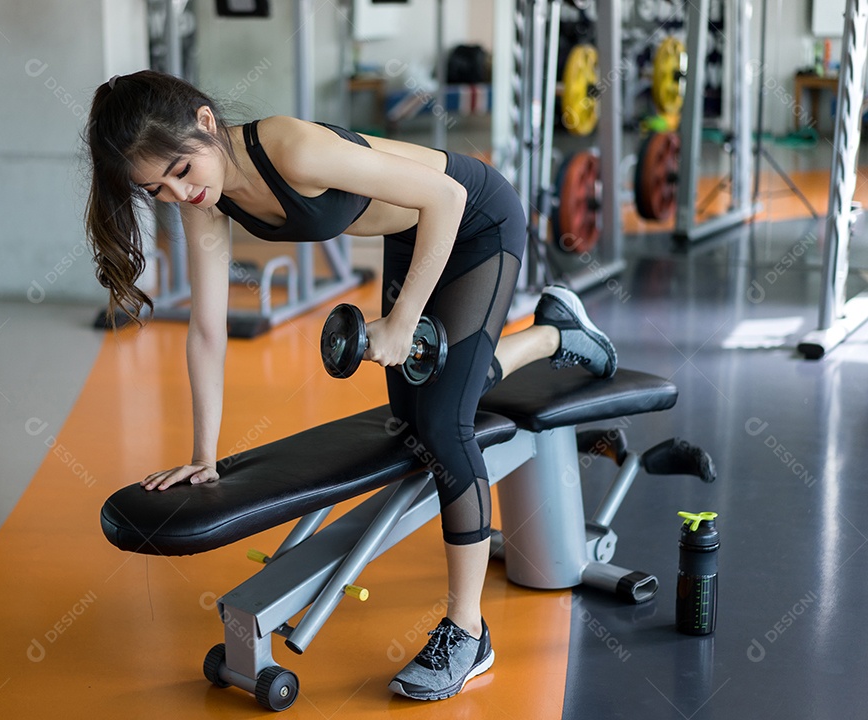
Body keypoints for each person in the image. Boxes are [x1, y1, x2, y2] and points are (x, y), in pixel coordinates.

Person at [84, 70, 617, 701]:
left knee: (443, 427)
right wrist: (205, 457)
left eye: (179, 169)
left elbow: (444, 198)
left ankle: (468, 633)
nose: (179, 193)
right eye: (158, 190)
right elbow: (207, 331)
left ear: (205, 121)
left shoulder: (292, 149)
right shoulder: (211, 199)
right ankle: (554, 334)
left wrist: (402, 321)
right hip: (412, 234)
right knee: (418, 415)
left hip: (474, 219)